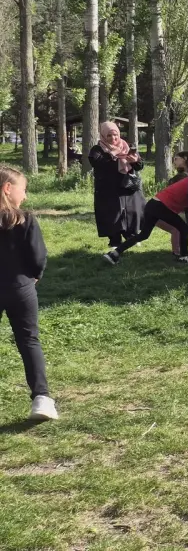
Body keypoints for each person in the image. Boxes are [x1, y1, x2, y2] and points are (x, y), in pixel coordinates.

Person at [0, 165, 58, 421]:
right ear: (7, 188)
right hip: (20, 287)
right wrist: (35, 275)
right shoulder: (25, 220)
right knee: (28, 341)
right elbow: (38, 256)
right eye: (23, 190)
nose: (24, 196)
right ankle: (41, 399)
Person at [104, 161, 188, 265]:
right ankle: (184, 257)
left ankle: (114, 253)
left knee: (143, 235)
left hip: (152, 204)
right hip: (160, 206)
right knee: (183, 228)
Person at [88, 121, 145, 250]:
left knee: (132, 211)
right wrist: (114, 156)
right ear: (103, 136)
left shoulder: (127, 146)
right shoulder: (97, 149)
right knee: (112, 213)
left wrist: (135, 161)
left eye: (115, 135)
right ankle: (114, 241)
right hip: (109, 189)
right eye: (109, 135)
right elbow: (98, 163)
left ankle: (131, 237)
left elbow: (140, 166)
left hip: (128, 187)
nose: (113, 138)